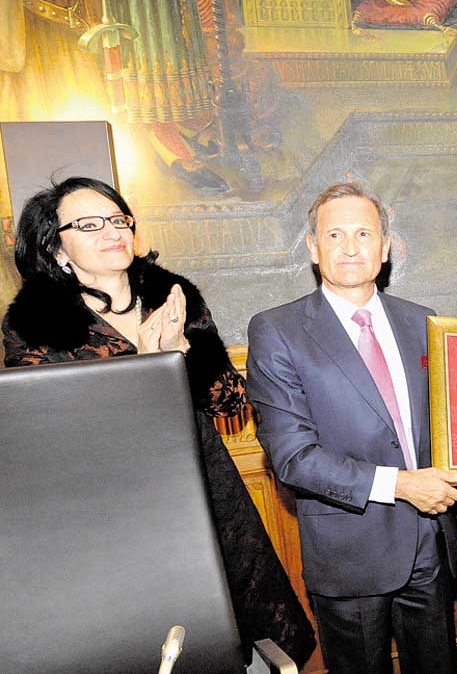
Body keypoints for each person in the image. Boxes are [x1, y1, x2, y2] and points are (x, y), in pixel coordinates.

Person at [1, 176, 316, 664]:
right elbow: (54, 441)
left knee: (237, 634)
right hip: (111, 508)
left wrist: (181, 358)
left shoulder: (174, 296)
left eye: (118, 218)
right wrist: (146, 369)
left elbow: (231, 405)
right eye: (88, 224)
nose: (111, 230)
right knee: (150, 642)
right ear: (56, 246)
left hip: (205, 488)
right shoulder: (33, 322)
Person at [246, 182, 457, 674]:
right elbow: (294, 458)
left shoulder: (425, 323)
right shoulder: (278, 330)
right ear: (314, 249)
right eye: (334, 235)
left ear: (385, 247)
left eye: (364, 233)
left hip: (430, 542)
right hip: (349, 553)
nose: (351, 246)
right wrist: (401, 485)